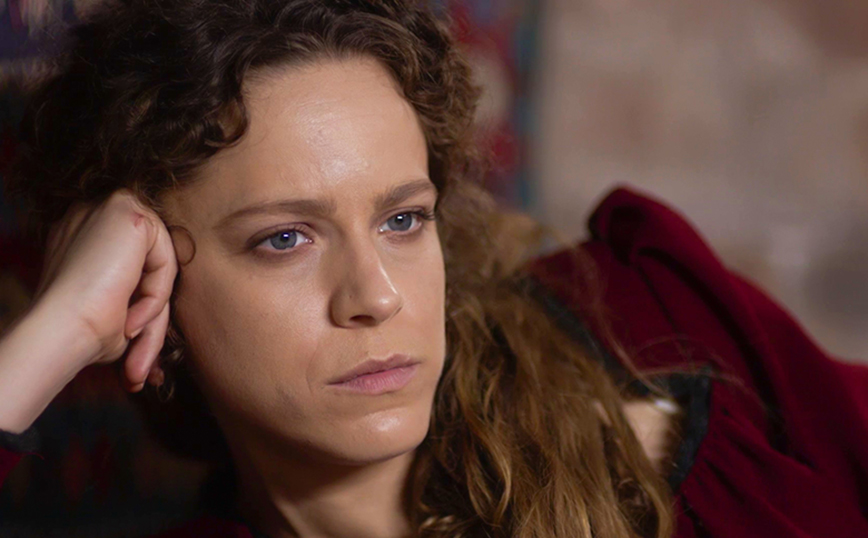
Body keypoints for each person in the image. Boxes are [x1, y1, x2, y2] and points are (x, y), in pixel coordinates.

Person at [1, 1, 867, 537]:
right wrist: (54, 334)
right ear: (147, 288)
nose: (376, 297)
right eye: (285, 240)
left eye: (403, 220)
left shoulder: (654, 314)